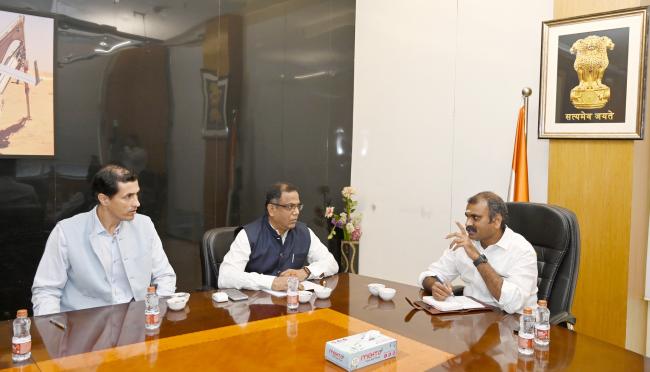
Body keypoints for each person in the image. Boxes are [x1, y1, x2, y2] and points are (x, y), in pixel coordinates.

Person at [31, 165, 176, 316]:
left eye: (137, 194)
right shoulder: (66, 232)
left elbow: (165, 275)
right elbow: (46, 290)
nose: (137, 203)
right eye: (128, 196)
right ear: (104, 199)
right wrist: (54, 332)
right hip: (83, 326)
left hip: (135, 323)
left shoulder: (144, 225)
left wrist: (155, 312)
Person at [418, 191, 537, 314]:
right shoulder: (465, 242)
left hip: (513, 323)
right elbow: (427, 275)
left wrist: (477, 257)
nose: (467, 223)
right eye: (467, 216)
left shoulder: (522, 250)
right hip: (473, 317)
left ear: (496, 221)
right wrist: (435, 286)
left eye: (475, 218)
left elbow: (513, 305)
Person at [218, 182, 338, 291]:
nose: (296, 212)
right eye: (290, 206)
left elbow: (331, 263)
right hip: (255, 307)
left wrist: (306, 272)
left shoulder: (304, 232)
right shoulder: (248, 235)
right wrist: (272, 282)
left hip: (292, 306)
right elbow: (226, 276)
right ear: (272, 209)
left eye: (298, 206)